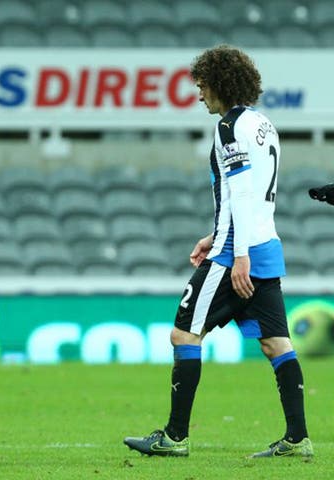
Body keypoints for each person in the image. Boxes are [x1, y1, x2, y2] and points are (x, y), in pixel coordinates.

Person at [123, 45, 313, 458]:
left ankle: (175, 437)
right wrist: (216, 233)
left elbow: (242, 189)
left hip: (235, 254)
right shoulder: (263, 124)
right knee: (276, 343)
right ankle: (298, 439)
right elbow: (251, 194)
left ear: (221, 84)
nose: (198, 94)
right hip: (264, 243)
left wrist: (233, 249)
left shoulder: (228, 127)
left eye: (202, 85)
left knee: (184, 334)